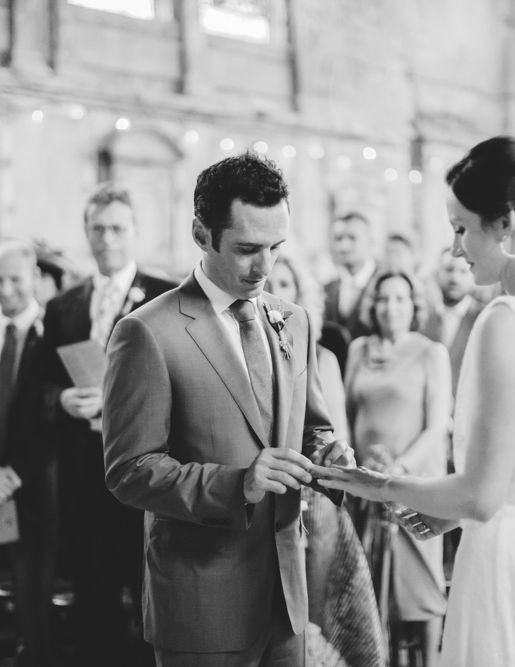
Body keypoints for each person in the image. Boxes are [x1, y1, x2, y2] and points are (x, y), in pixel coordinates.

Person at [315, 136, 515, 665]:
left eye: (461, 228)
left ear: (506, 222)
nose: (455, 248)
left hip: (510, 574)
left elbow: (481, 495)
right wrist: (452, 510)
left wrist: (376, 485)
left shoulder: (506, 321)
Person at [102, 152, 355, 667]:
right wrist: (238, 482)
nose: (265, 268)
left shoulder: (295, 321)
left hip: (287, 598)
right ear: (201, 233)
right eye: (247, 249)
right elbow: (128, 470)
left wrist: (330, 455)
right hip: (201, 605)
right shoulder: (147, 332)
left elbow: (312, 425)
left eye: (276, 247)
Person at [41, 183, 176, 667]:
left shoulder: (166, 298)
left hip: (143, 466)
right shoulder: (63, 307)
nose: (108, 239)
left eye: (118, 228)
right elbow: (41, 385)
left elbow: (180, 383)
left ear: (135, 231)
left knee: (145, 590)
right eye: (98, 229)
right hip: (83, 469)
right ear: (86, 233)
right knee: (91, 589)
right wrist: (62, 399)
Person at [266, 254, 386, 667]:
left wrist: (330, 456)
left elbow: (330, 436)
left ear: (299, 295)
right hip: (262, 500)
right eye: (268, 281)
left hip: (312, 500)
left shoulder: (321, 358)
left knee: (312, 616)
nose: (271, 290)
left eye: (283, 283)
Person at [345, 270, 450, 666]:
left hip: (414, 483)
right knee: (371, 579)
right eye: (384, 299)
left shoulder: (430, 352)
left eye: (401, 299)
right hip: (366, 482)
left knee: (419, 581)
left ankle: (429, 659)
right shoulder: (358, 349)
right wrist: (359, 463)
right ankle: (377, 655)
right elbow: (350, 412)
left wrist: (400, 469)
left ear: (414, 304)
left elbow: (438, 424)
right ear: (373, 305)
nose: (391, 307)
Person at [0, 240, 56, 667]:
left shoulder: (53, 333)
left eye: (14, 279)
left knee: (33, 578)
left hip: (37, 483)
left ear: (35, 279)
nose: (4, 289)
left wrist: (15, 472)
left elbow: (52, 415)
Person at [422, 249, 484, 397]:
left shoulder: (483, 318)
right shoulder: (422, 319)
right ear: (437, 273)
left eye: (463, 271)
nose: (454, 278)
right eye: (449, 270)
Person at [323, 212, 378, 340]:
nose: (344, 246)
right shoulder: (327, 289)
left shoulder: (385, 284)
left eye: (352, 238)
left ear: (370, 241)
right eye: (339, 239)